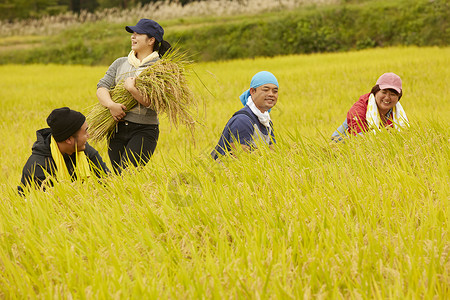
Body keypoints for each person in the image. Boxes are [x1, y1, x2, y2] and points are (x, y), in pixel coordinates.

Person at [96, 19, 172, 174]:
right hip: (116, 129)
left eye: (138, 34)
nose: (133, 37)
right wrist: (111, 105)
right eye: (132, 34)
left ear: (151, 40)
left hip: (144, 130)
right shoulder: (120, 63)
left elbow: (155, 104)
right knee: (119, 178)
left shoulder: (161, 68)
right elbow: (102, 87)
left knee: (128, 175)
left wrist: (132, 90)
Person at [18, 107, 110, 194]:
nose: (88, 135)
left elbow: (108, 180)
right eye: (85, 131)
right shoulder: (39, 166)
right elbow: (47, 205)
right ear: (69, 139)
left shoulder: (84, 151)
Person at [211, 71, 278, 159]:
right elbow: (241, 160)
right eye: (265, 90)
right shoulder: (243, 120)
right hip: (222, 171)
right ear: (252, 91)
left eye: (275, 91)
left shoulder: (266, 121)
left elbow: (273, 154)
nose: (271, 94)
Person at [331, 72, 409, 141]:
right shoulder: (359, 109)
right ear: (375, 92)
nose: (387, 97)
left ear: (398, 97)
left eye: (393, 94)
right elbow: (360, 139)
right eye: (384, 92)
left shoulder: (398, 113)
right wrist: (383, 135)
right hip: (341, 145)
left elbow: (404, 135)